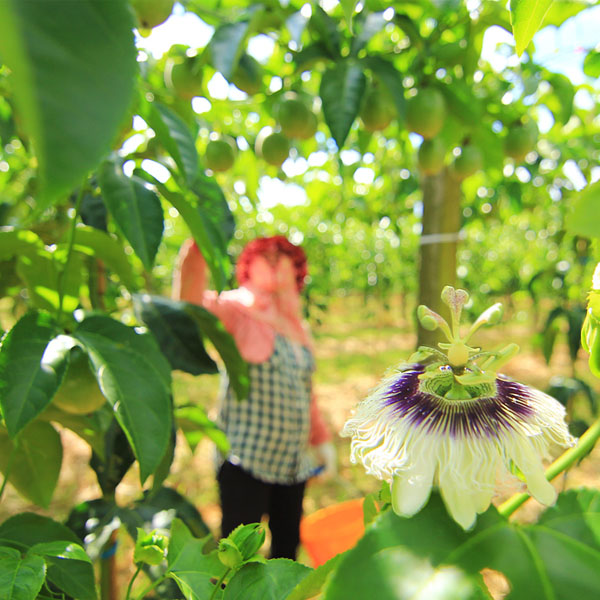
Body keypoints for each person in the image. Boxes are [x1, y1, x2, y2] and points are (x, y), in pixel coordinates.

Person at [173, 235, 336, 560]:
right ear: (247, 269)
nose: (274, 260)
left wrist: (322, 442)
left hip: (292, 464)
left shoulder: (296, 327)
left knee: (286, 550)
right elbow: (190, 306)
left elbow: (307, 392)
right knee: (236, 557)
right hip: (246, 461)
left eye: (283, 255)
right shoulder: (236, 310)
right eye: (265, 255)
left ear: (298, 271)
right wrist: (198, 245)